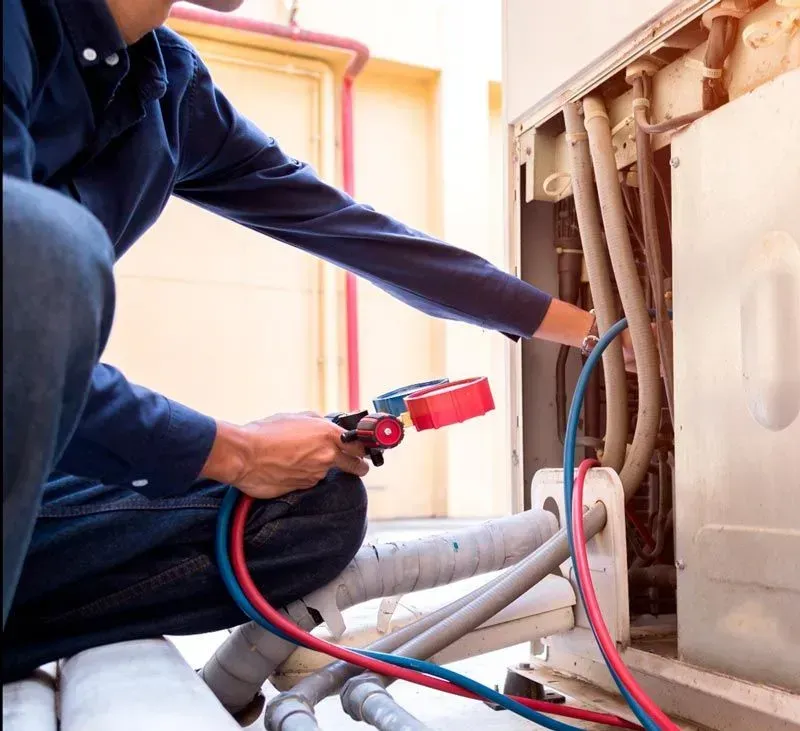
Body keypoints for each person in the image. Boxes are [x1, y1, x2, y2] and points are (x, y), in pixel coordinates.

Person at [1, 0, 619, 681]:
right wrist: (231, 450)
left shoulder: (168, 88)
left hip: (29, 497)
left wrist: (589, 326)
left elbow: (351, 229)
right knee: (44, 243)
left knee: (314, 502)